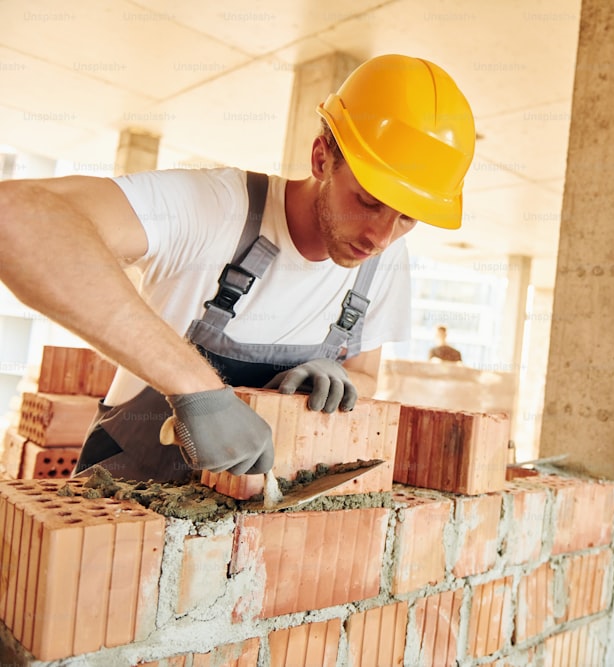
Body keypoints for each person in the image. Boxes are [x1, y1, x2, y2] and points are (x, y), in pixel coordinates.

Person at [0, 54, 476, 483]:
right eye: (368, 201)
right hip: (125, 505)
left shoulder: (386, 258)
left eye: (407, 217)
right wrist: (196, 388)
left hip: (243, 538)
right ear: (321, 158)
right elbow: (16, 220)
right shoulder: (216, 208)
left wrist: (338, 377)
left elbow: (367, 374)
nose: (381, 237)